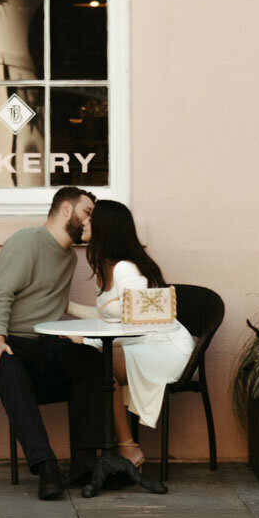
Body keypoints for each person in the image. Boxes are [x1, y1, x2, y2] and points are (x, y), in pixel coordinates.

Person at [0, 185, 100, 500]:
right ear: (67, 210)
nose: (92, 222)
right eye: (88, 213)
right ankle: (45, 465)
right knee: (8, 366)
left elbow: (55, 305)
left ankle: (84, 462)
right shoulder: (27, 242)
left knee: (90, 360)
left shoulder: (68, 258)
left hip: (36, 342)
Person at [68, 199, 195, 468]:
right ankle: (118, 448)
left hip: (164, 346)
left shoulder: (126, 269)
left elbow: (136, 321)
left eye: (91, 217)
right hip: (144, 343)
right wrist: (62, 305)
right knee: (93, 364)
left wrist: (88, 340)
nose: (86, 222)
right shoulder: (106, 267)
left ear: (106, 226)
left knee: (96, 364)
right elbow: (107, 316)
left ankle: (127, 449)